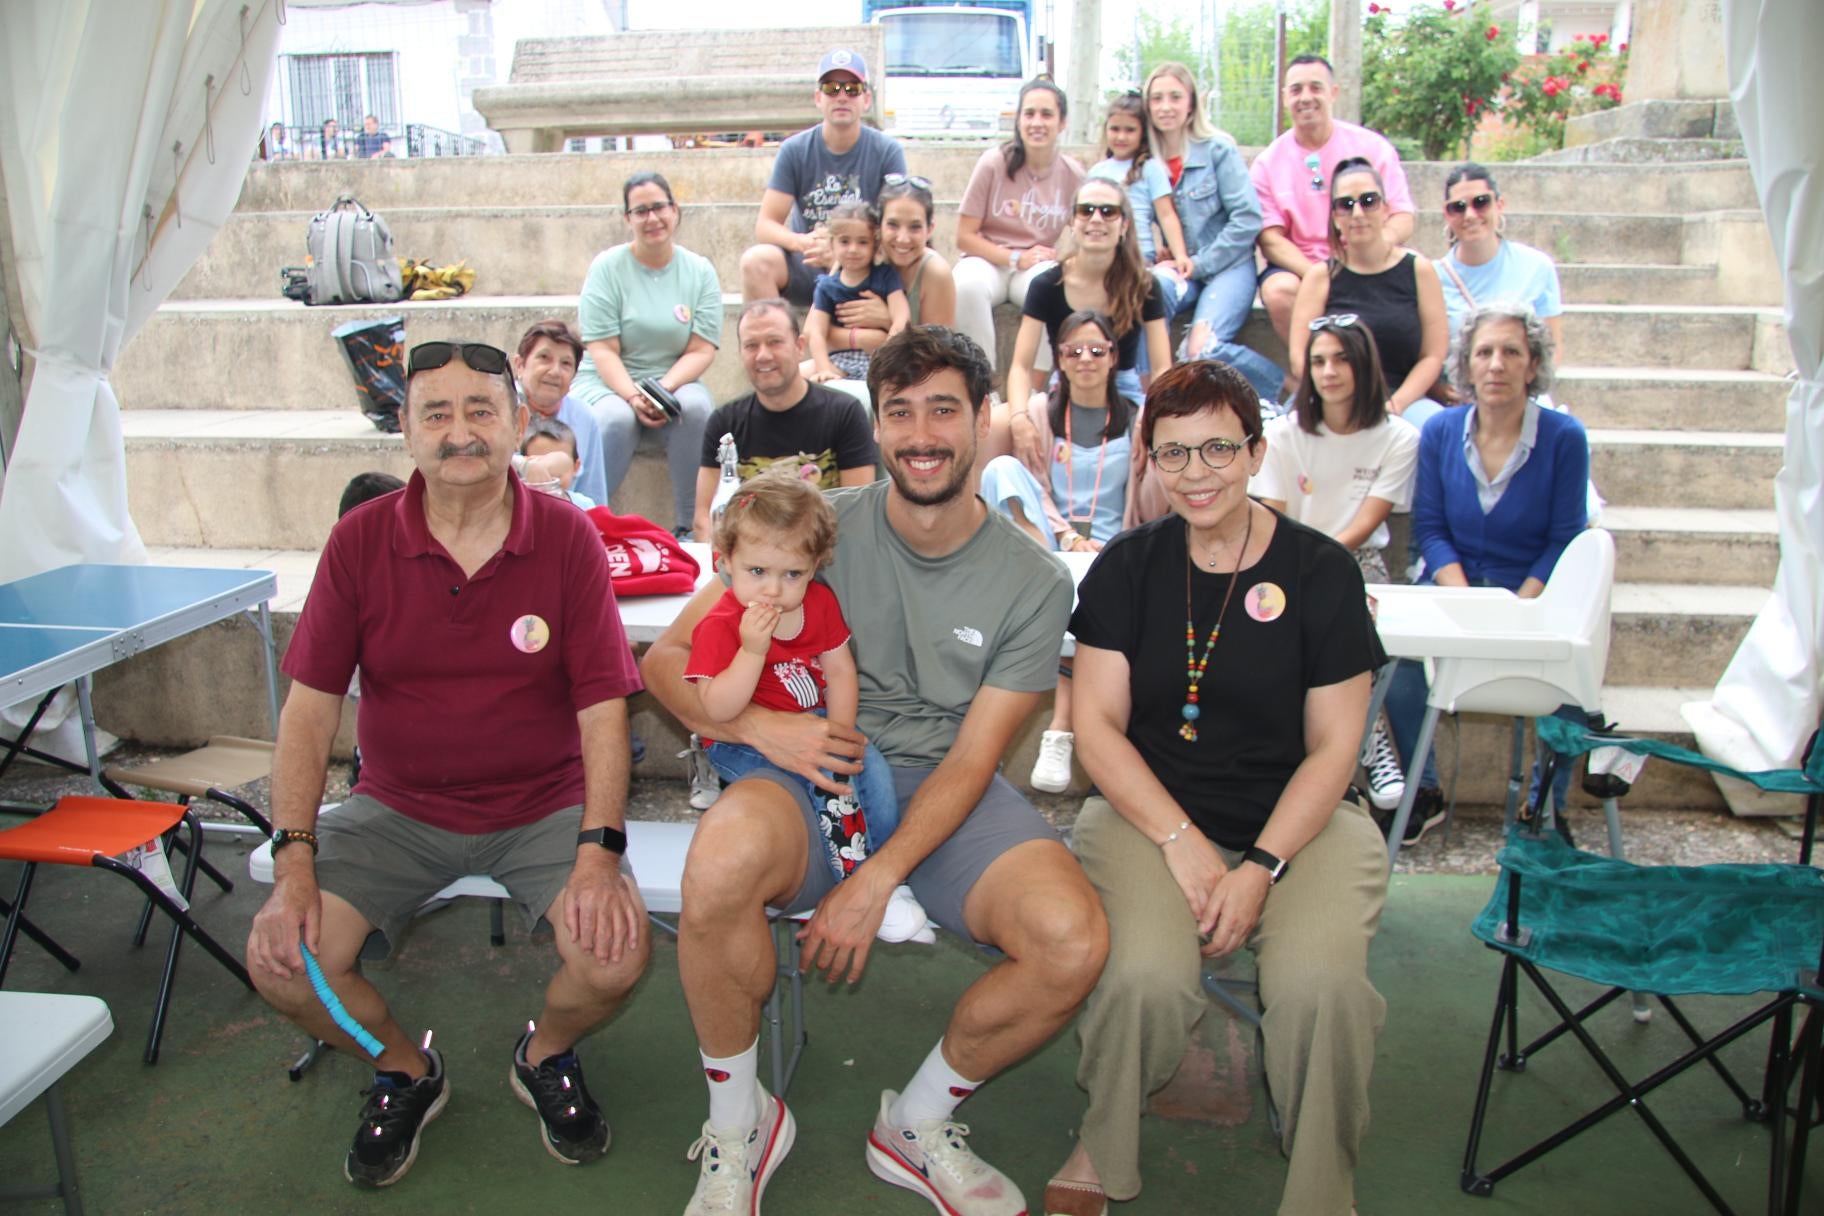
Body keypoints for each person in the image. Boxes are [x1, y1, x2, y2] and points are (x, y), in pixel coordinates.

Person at [642, 326, 1107, 1216]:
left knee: (1070, 940)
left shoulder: (1035, 580)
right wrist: (766, 730)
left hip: (945, 789)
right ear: (877, 424)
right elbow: (666, 661)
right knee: (718, 866)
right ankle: (742, 1124)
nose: (922, 433)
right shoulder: (811, 529)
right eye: (900, 412)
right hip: (806, 767)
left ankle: (918, 1121)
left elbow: (976, 756)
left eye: (944, 409)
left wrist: (876, 878)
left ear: (983, 420)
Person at [244, 340, 649, 1187]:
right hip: (397, 809)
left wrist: (598, 852)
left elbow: (602, 709)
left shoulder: (567, 538)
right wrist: (293, 862)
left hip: (543, 806)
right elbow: (310, 712)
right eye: (436, 413)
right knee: (283, 967)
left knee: (614, 960)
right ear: (406, 430)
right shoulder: (359, 543)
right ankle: (403, 1068)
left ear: (516, 424)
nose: (459, 432)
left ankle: (545, 1052)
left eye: (479, 411)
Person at [1043, 359, 1388, 1216]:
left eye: (1217, 450)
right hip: (1149, 816)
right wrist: (1181, 840)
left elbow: (1336, 750)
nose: (1197, 474)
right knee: (1145, 980)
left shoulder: (1321, 572)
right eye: (1174, 454)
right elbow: (1098, 731)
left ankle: (1321, 1188)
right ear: (1149, 462)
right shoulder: (1125, 570)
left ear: (1256, 450)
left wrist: (1259, 865)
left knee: (1322, 991)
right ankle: (1107, 1136)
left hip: (1300, 827)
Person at [684, 468, 924, 937]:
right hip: (738, 740)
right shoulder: (721, 624)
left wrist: (841, 733)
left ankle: (882, 873)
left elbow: (839, 671)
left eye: (791, 574)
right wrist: (753, 651)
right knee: (826, 781)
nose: (773, 590)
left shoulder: (817, 603)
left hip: (809, 720)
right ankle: (854, 884)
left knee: (866, 765)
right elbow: (716, 708)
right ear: (726, 561)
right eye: (757, 572)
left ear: (813, 568)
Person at [1387, 303, 1591, 844]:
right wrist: (1467, 603)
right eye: (1484, 352)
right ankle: (1423, 789)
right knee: (1399, 668)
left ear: (1533, 365)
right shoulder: (1439, 432)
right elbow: (1429, 528)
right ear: (1467, 365)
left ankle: (1544, 803)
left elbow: (1565, 537)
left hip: (1532, 589)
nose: (1496, 364)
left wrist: (1520, 606)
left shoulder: (1565, 438)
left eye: (1511, 352)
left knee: (1571, 670)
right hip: (1452, 585)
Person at [977, 309, 1165, 795]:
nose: (1085, 359)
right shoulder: (1040, 413)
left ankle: (1060, 727)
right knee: (999, 470)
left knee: (1096, 602)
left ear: (1113, 358)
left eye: (1097, 351)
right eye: (1073, 351)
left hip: (1115, 547)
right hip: (1053, 544)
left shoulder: (1138, 419)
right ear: (1058, 359)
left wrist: (1158, 452)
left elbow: (1144, 496)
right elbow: (1034, 487)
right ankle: (1060, 722)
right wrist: (1065, 536)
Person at [1252, 314, 1418, 812]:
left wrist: (1322, 567)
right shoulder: (1282, 434)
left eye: (1341, 359)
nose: (1328, 371)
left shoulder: (1399, 437)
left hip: (1356, 559)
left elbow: (1366, 524)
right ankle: (1362, 744)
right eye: (1318, 360)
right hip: (1286, 555)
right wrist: (1300, 566)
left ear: (1364, 364)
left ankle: (1370, 744)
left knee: (1344, 609)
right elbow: (1270, 519)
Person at [571, 171, 721, 536]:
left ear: (675, 210)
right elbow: (602, 348)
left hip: (674, 377)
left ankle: (690, 525)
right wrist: (632, 395)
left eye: (659, 207)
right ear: (627, 218)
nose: (652, 218)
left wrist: (660, 392)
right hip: (607, 380)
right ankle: (586, 523)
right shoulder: (607, 268)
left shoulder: (699, 271)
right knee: (615, 420)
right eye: (640, 211)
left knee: (698, 410)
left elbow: (701, 349)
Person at [1251, 55, 1415, 343]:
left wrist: (1371, 253)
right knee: (1278, 291)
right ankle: (1308, 375)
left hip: (1368, 253)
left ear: (1333, 92)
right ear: (1285, 97)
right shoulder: (1267, 163)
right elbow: (1270, 238)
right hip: (1302, 265)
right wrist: (1320, 275)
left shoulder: (1372, 147)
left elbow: (1402, 216)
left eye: (1315, 88)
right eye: (1296, 90)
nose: (1306, 98)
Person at [1139, 62, 1278, 398]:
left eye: (1175, 96)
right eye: (1156, 98)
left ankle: (1281, 384)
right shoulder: (1144, 160)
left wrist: (1199, 263)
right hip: (1183, 271)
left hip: (1227, 267)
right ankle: (1145, 396)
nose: (1165, 106)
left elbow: (1247, 219)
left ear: (1191, 103)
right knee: (1144, 294)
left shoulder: (1218, 150)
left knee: (1199, 350)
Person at [691, 299, 879, 541]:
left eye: (775, 342)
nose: (763, 355)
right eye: (751, 345)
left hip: (824, 562)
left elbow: (858, 514)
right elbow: (705, 518)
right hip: (750, 565)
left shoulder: (844, 414)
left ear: (800, 347)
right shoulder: (724, 423)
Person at [1288, 157, 1448, 429]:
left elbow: (1433, 355)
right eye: (1346, 205)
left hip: (1403, 400)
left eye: (1368, 201)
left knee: (1436, 428)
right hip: (1333, 399)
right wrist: (1342, 404)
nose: (1358, 213)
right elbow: (1299, 357)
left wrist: (1395, 405)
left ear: (1385, 209)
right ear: (1336, 218)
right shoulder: (1320, 277)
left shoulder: (1419, 271)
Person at [740, 48, 907, 306]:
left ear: (867, 99)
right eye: (831, 88)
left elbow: (898, 225)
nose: (842, 96)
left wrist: (845, 250)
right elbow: (765, 224)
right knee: (755, 261)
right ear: (818, 97)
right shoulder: (794, 150)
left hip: (865, 260)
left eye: (852, 88)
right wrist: (802, 242)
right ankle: (774, 339)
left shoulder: (887, 151)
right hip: (809, 259)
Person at [999, 178, 1167, 427]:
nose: (1096, 219)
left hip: (1124, 393)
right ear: (1072, 222)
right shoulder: (1047, 285)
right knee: (997, 425)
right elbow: (1021, 367)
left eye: (1108, 211)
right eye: (1085, 210)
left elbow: (1162, 367)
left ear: (1124, 225)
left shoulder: (1145, 285)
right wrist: (1019, 419)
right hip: (1067, 388)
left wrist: (1152, 417)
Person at [952, 77, 1086, 368]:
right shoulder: (993, 163)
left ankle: (1037, 394)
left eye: (1047, 114)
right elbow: (964, 236)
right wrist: (1014, 257)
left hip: (1035, 265)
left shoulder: (1072, 173)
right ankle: (982, 387)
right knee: (965, 286)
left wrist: (1063, 258)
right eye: (1029, 114)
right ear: (1018, 120)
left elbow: (1084, 232)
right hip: (988, 259)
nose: (1037, 122)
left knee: (1052, 286)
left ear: (1062, 122)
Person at [1437, 162, 1565, 379]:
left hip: (1519, 391)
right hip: (1457, 394)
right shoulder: (1431, 277)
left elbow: (1551, 349)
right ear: (1447, 214)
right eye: (1458, 207)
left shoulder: (1537, 267)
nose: (1469, 214)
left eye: (1481, 202)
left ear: (1499, 205)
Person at [1090, 92, 1192, 285]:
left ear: (1142, 133)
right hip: (1103, 256)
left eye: (1130, 130)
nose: (1121, 136)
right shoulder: (1097, 171)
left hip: (1139, 258)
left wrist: (1180, 255)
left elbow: (1166, 214)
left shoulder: (1151, 168)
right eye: (1115, 129)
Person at [806, 200, 908, 383]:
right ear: (832, 243)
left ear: (874, 246)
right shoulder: (827, 286)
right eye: (844, 241)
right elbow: (816, 332)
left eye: (862, 242)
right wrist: (824, 369)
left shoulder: (885, 276)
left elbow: (901, 318)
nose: (853, 249)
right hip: (838, 361)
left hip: (879, 359)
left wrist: (889, 356)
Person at [512, 319, 607, 508]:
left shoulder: (584, 418)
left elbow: (593, 497)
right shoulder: (497, 410)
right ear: (519, 365)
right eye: (544, 358)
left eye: (565, 363)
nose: (555, 371)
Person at [521, 417, 597, 509]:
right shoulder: (521, 506)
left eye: (557, 473)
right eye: (539, 466)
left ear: (575, 467)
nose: (549, 480)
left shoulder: (585, 506)